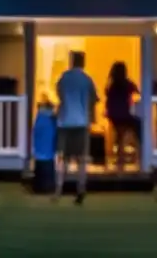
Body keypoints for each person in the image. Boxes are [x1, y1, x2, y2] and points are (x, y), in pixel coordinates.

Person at [54, 50, 98, 204]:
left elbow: (59, 94)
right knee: (81, 159)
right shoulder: (87, 80)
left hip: (65, 122)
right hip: (81, 122)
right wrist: (92, 119)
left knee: (63, 158)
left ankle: (59, 190)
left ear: (71, 61)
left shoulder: (64, 78)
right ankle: (81, 189)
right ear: (83, 62)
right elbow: (94, 99)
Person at [104, 61, 141, 170]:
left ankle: (120, 159)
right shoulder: (128, 84)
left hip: (114, 116)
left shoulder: (111, 85)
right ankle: (140, 155)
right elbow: (137, 92)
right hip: (125, 115)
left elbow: (108, 98)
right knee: (139, 129)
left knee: (120, 136)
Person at [31, 96, 57, 194]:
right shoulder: (51, 119)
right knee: (48, 168)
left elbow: (36, 134)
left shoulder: (39, 118)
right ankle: (47, 187)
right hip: (49, 153)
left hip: (39, 153)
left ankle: (39, 187)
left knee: (40, 168)